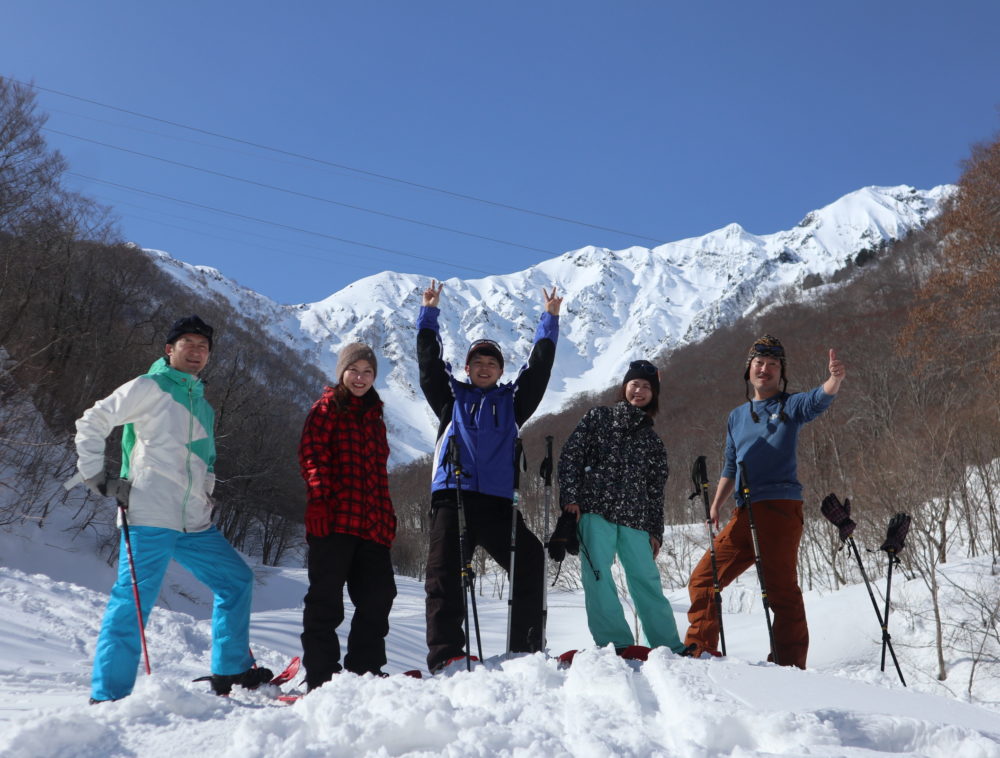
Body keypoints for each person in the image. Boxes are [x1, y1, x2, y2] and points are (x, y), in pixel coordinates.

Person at [75, 315, 271, 702]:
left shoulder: (204, 404)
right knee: (132, 602)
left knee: (236, 581)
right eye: (189, 344)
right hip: (150, 515)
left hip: (194, 522)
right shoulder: (149, 387)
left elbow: (205, 463)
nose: (197, 352)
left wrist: (206, 495)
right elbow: (93, 420)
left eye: (203, 347)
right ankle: (108, 695)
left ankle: (230, 669)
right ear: (170, 350)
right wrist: (95, 475)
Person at [417, 279, 561, 673]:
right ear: (467, 368)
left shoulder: (512, 403)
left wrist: (549, 321)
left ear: (500, 371)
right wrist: (428, 313)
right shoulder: (451, 398)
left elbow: (539, 370)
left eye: (491, 363)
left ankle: (526, 647)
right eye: (477, 362)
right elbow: (429, 364)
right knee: (445, 576)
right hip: (454, 497)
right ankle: (446, 654)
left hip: (498, 503)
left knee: (529, 557)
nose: (484, 367)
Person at [684, 335, 846, 669]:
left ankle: (787, 666)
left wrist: (834, 379)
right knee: (704, 577)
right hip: (743, 511)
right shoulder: (736, 417)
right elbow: (731, 463)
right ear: (749, 370)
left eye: (773, 364)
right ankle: (700, 649)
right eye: (759, 363)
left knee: (780, 590)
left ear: (780, 372)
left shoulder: (789, 406)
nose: (765, 369)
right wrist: (716, 504)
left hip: (779, 508)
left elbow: (818, 400)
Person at [557, 360, 691, 655]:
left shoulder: (653, 442)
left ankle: (668, 645)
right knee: (598, 576)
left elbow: (656, 492)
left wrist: (655, 530)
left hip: (636, 519)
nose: (639, 390)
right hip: (594, 511)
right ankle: (615, 643)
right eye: (635, 384)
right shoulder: (598, 418)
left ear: (653, 395)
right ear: (624, 387)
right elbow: (571, 457)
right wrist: (570, 498)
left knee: (646, 579)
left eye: (646, 386)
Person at [298, 343, 397, 689]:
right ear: (342, 372)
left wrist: (387, 518)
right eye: (354, 370)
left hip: (371, 525)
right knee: (326, 600)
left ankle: (364, 670)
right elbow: (312, 456)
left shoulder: (376, 418)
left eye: (368, 372)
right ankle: (321, 675)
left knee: (379, 595)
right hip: (334, 520)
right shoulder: (326, 408)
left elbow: (378, 474)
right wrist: (319, 499)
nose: (360, 377)